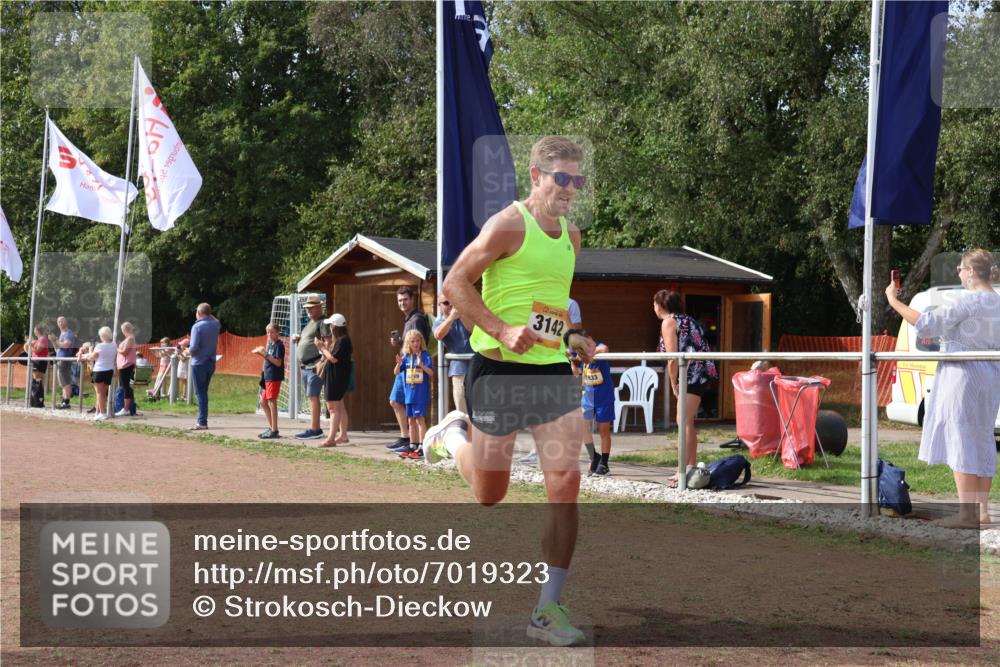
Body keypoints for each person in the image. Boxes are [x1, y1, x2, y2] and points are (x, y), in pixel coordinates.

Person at [424, 136, 595, 646]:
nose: (569, 189)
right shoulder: (507, 224)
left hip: (549, 375)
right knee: (489, 494)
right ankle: (451, 436)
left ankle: (547, 609)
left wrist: (572, 337)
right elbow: (454, 283)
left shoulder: (573, 236)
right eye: (561, 178)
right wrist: (499, 330)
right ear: (537, 175)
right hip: (498, 372)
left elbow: (549, 308)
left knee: (565, 481)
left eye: (576, 180)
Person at [886, 249, 1000, 527]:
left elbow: (927, 324)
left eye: (961, 269)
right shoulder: (998, 302)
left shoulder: (968, 301)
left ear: (972, 271)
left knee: (960, 438)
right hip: (991, 375)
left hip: (962, 375)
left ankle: (966, 514)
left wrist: (893, 301)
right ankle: (981, 511)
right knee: (983, 438)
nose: (959, 273)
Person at [654, 289, 717, 486]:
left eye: (654, 304)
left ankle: (682, 471)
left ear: (660, 305)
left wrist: (673, 383)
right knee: (686, 421)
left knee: (683, 420)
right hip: (701, 371)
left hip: (691, 373)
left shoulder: (669, 322)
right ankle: (689, 468)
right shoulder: (687, 319)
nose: (653, 308)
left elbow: (673, 358)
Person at [386, 286, 432, 452]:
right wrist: (399, 343)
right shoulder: (409, 319)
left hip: (411, 370)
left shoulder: (416, 320)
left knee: (397, 402)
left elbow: (417, 344)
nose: (402, 303)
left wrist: (410, 360)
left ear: (413, 300)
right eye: (399, 300)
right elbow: (411, 343)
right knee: (396, 401)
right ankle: (406, 438)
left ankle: (412, 441)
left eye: (405, 299)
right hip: (405, 366)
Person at [573, 342, 614, 476]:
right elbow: (570, 357)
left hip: (604, 398)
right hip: (587, 399)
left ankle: (604, 463)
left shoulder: (599, 348)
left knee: (604, 431)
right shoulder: (579, 353)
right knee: (583, 427)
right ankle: (594, 456)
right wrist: (573, 363)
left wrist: (590, 352)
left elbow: (605, 348)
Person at [293, 297, 330, 440]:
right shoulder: (311, 322)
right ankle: (314, 428)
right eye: (307, 307)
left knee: (313, 396)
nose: (308, 310)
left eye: (311, 307)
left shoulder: (322, 322)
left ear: (319, 308)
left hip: (314, 365)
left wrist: (321, 362)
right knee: (311, 397)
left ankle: (315, 429)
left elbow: (328, 342)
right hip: (306, 366)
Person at [395, 329, 433, 459]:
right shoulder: (406, 357)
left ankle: (423, 446)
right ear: (408, 343)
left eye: (418, 341)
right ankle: (413, 445)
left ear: (421, 342)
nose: (416, 343)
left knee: (420, 420)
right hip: (409, 394)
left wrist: (422, 366)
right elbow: (396, 372)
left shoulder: (425, 355)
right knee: (410, 420)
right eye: (413, 341)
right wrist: (398, 364)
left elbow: (431, 373)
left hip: (420, 395)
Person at [316, 313, 352, 448]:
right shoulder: (342, 340)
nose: (330, 327)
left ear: (335, 327)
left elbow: (333, 358)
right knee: (340, 406)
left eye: (331, 325)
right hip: (338, 377)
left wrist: (322, 348)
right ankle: (343, 435)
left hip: (336, 378)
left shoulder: (343, 340)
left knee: (333, 409)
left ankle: (331, 439)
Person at [433, 297, 473, 413]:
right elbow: (438, 335)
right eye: (446, 303)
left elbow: (475, 329)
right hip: (459, 370)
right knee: (463, 412)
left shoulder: (466, 316)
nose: (450, 305)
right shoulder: (439, 322)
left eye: (453, 301)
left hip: (478, 368)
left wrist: (462, 314)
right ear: (439, 305)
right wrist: (451, 317)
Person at [189, 303, 221, 430]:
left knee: (200, 393)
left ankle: (202, 422)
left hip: (198, 362)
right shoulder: (215, 325)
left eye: (197, 311)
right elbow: (216, 320)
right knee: (203, 392)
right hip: (211, 362)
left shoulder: (197, 326)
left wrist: (186, 350)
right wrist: (208, 313)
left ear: (199, 312)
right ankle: (202, 420)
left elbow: (194, 348)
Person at [252, 323, 285, 439]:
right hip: (267, 376)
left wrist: (265, 355)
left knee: (271, 402)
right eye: (267, 332)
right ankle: (272, 427)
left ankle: (274, 430)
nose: (269, 334)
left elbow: (278, 362)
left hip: (274, 377)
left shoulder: (279, 345)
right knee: (263, 402)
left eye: (271, 332)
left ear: (277, 332)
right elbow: (268, 358)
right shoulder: (270, 344)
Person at [86, 327, 116, 421]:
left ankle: (102, 413)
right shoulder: (114, 344)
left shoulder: (100, 346)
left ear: (102, 335)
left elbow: (92, 357)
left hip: (99, 370)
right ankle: (98, 412)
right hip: (109, 370)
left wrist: (90, 351)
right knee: (102, 393)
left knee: (99, 393)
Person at [54, 316, 79, 409]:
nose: (60, 323)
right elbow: (57, 348)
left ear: (66, 322)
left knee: (65, 381)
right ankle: (64, 400)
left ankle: (66, 401)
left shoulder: (68, 333)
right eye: (58, 321)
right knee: (63, 381)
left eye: (62, 321)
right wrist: (53, 341)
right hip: (60, 358)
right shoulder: (62, 334)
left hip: (64, 359)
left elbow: (66, 345)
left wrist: (56, 341)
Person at [115, 322, 138, 417]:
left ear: (125, 330)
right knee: (125, 386)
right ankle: (129, 408)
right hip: (123, 365)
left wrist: (117, 348)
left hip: (126, 365)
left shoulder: (130, 338)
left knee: (125, 387)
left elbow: (125, 352)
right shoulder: (129, 338)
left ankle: (126, 409)